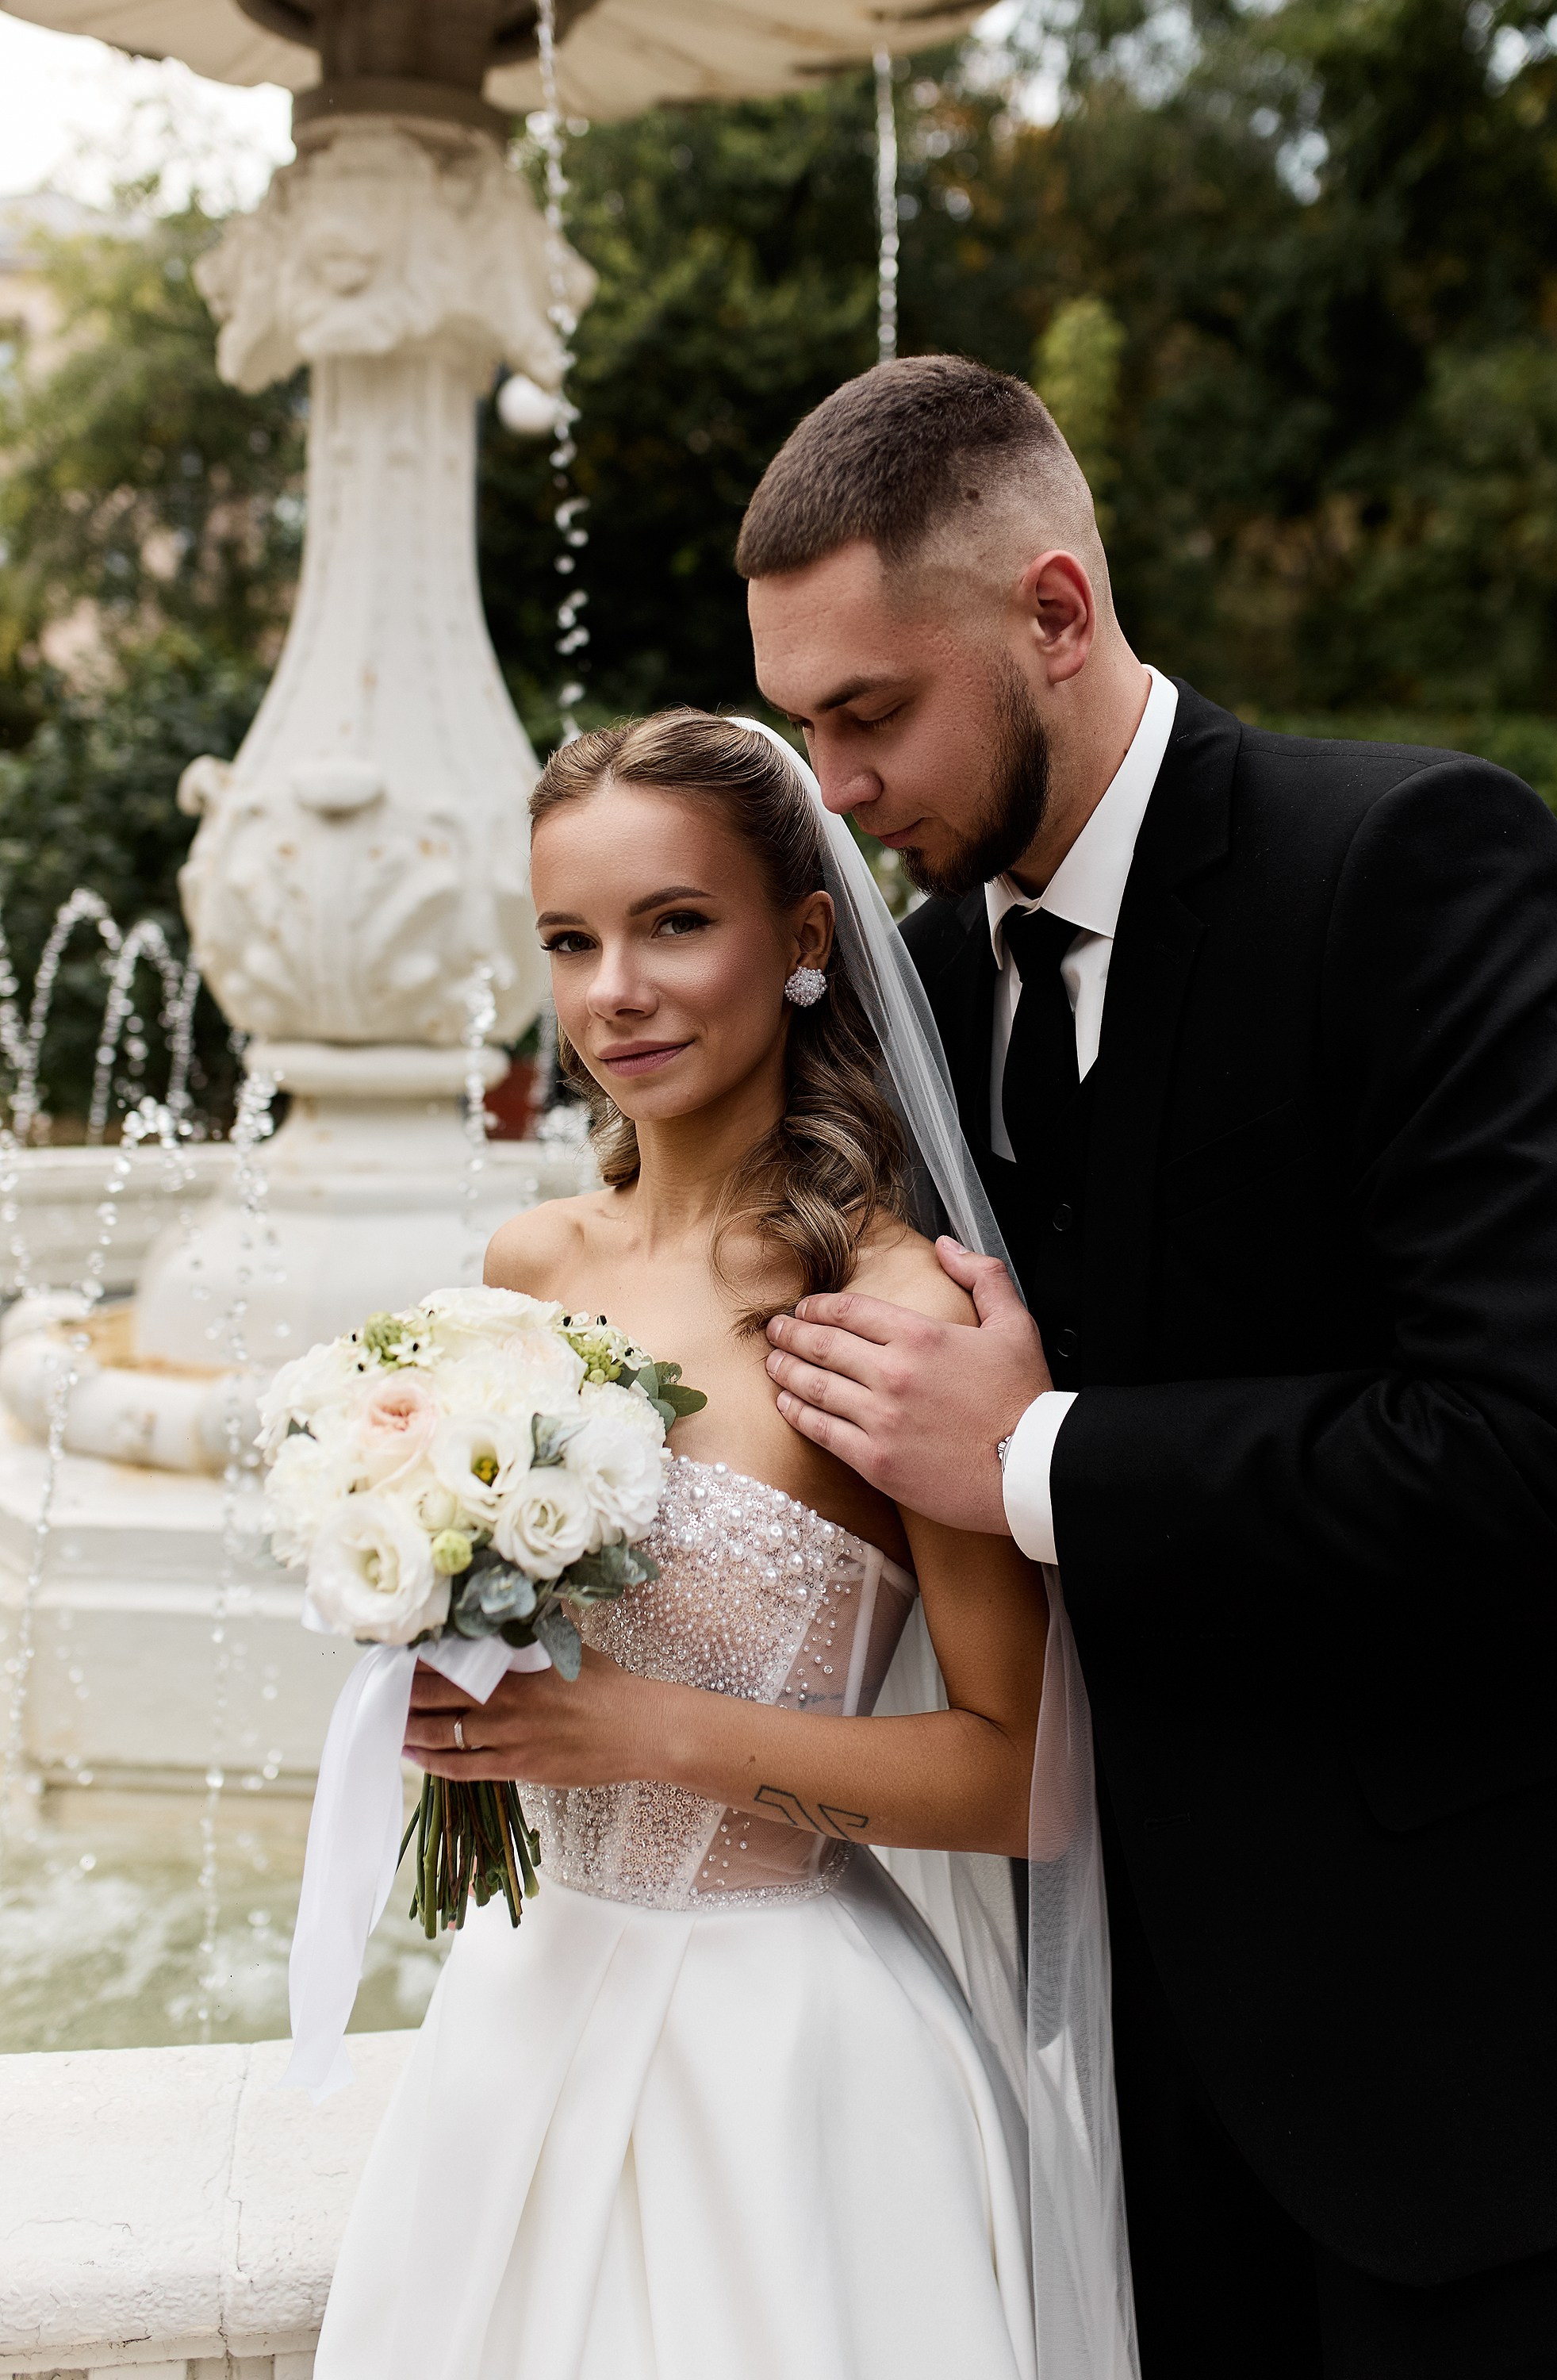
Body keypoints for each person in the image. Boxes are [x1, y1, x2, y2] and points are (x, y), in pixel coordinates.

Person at [744, 352, 1557, 2378]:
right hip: (1085, 2080)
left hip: (1438, 2084)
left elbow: (1530, 1456)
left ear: (1052, 611)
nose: (838, 795)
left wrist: (1034, 1457)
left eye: (871, 716)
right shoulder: (927, 982)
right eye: (802, 731)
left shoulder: (1408, 867)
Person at [314, 708, 1126, 2380]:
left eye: (674, 923)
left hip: (781, 2069)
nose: (616, 989)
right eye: (570, 939)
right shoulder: (523, 1265)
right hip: (515, 2018)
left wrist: (655, 1735)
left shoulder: (884, 1307)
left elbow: (1026, 1775)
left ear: (803, 939)